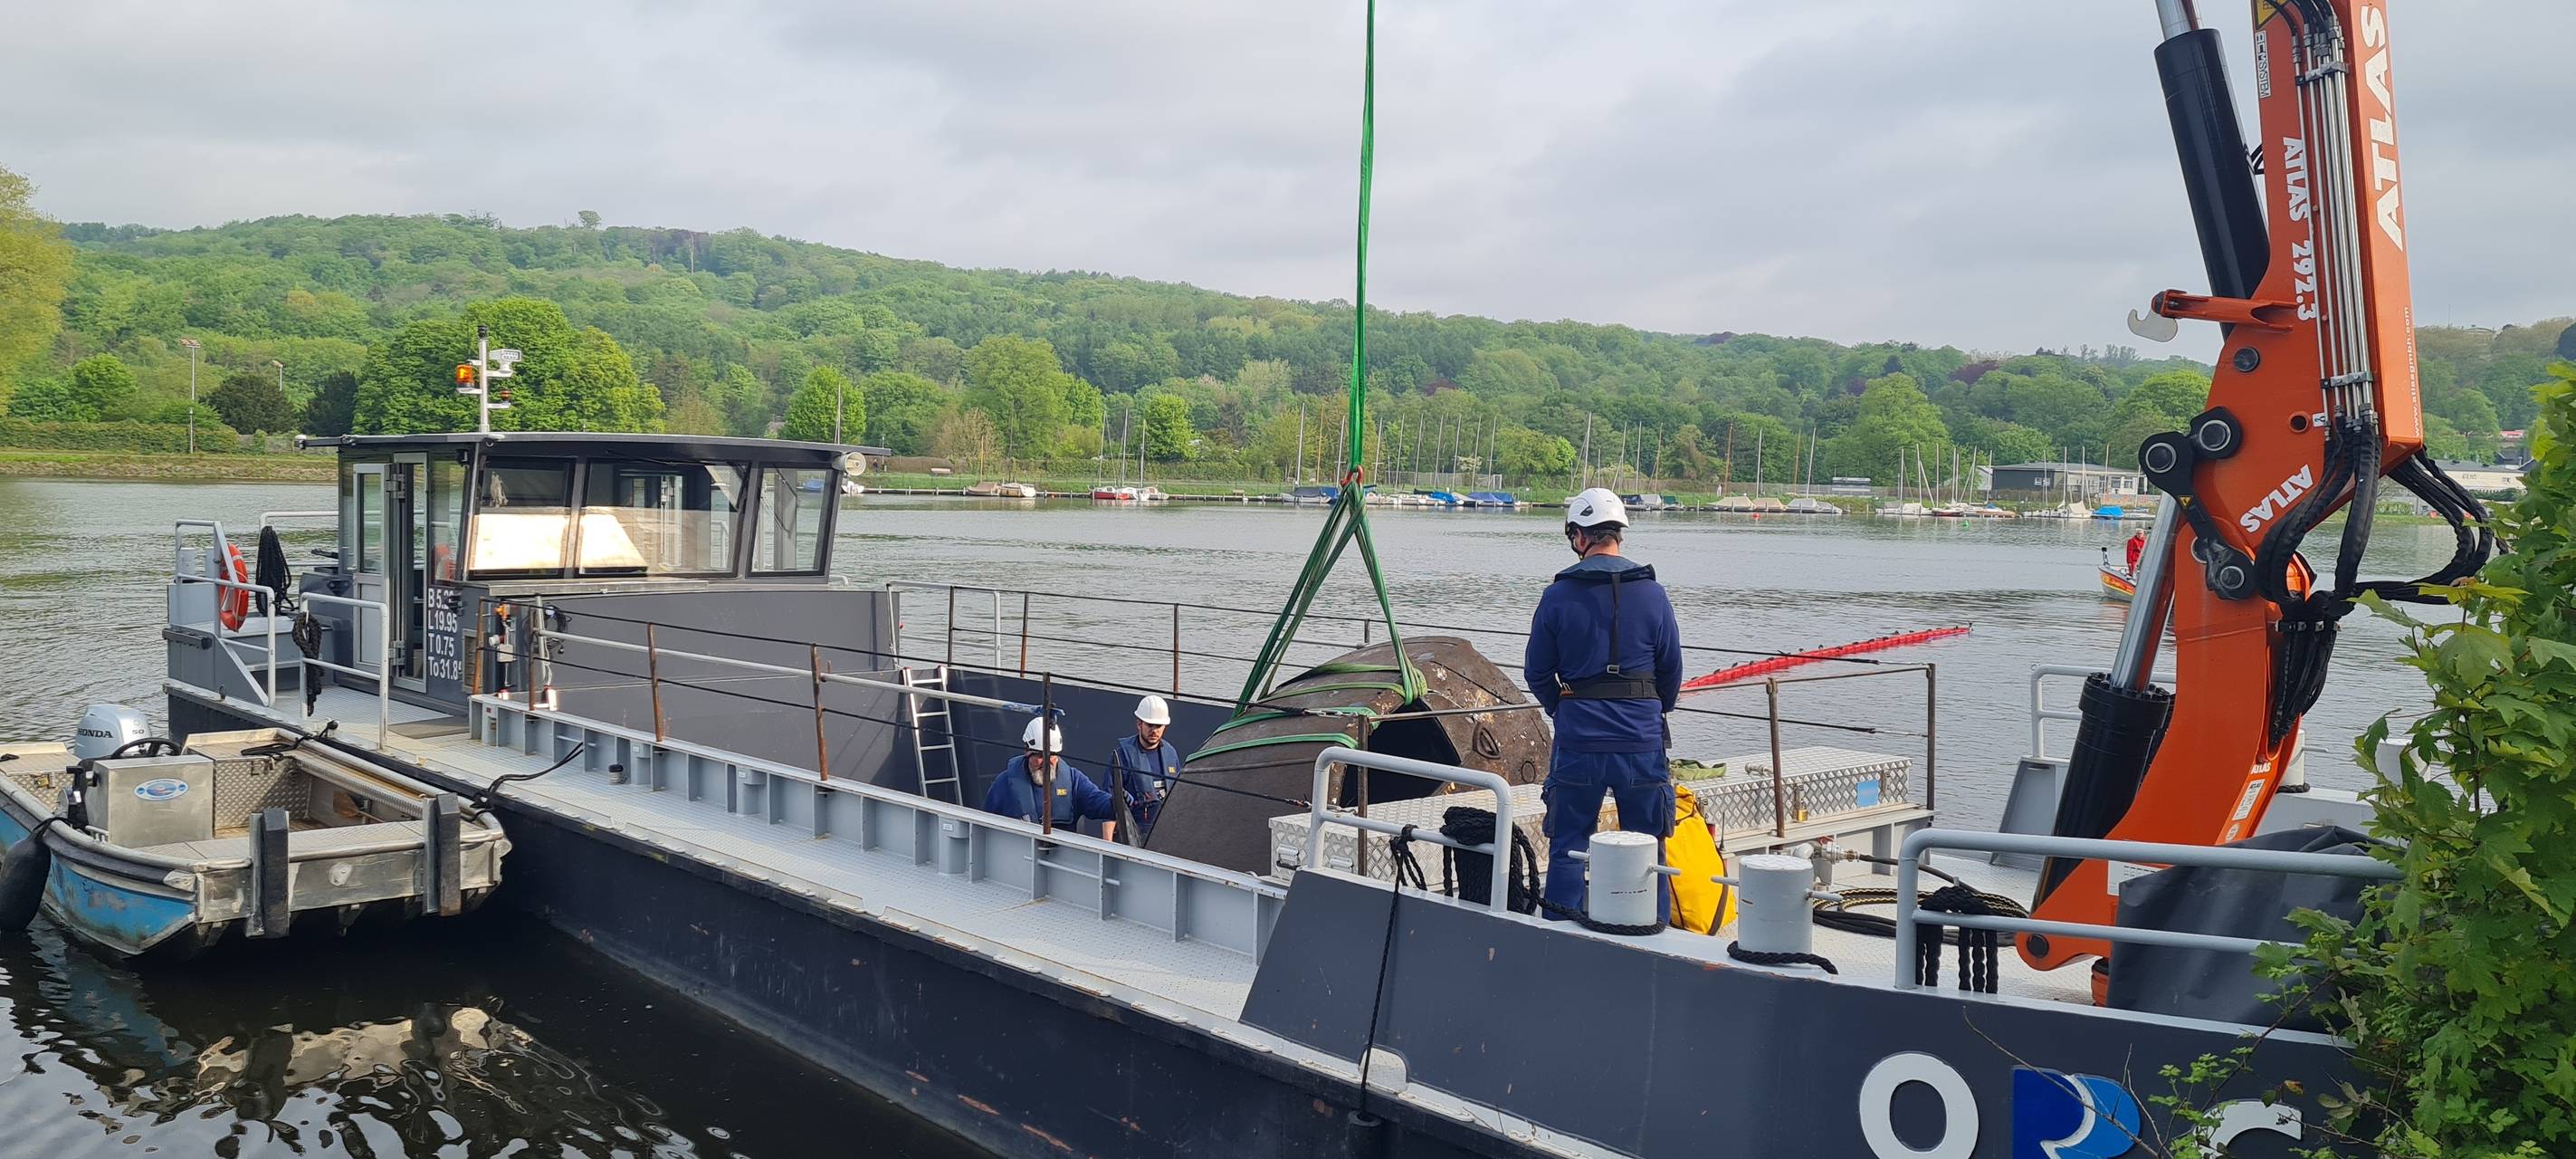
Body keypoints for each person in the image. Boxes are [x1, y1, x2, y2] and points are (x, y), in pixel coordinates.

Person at [1523, 488, 1684, 923]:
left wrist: (1565, 707)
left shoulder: (1556, 597)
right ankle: (1653, 932)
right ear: (1618, 535)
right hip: (1641, 740)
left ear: (1579, 536)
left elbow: (1537, 671)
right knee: (1649, 846)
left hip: (1579, 741)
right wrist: (1652, 710)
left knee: (1570, 844)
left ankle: (1559, 933)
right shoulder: (1654, 594)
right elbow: (1671, 672)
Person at [980, 717, 1118, 838]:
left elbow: (1096, 801)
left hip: (1063, 859)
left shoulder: (1074, 781)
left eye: (1052, 755)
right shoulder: (1004, 785)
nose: (1046, 762)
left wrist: (1118, 803)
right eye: (1040, 756)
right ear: (1027, 752)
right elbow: (985, 828)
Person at [1107, 695, 1180, 840]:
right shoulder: (1122, 756)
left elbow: (1178, 794)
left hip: (1165, 830)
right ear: (1139, 724)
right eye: (1149, 725)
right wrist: (1107, 845)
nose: (1154, 731)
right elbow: (1109, 801)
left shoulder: (1170, 754)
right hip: (1132, 832)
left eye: (1158, 726)